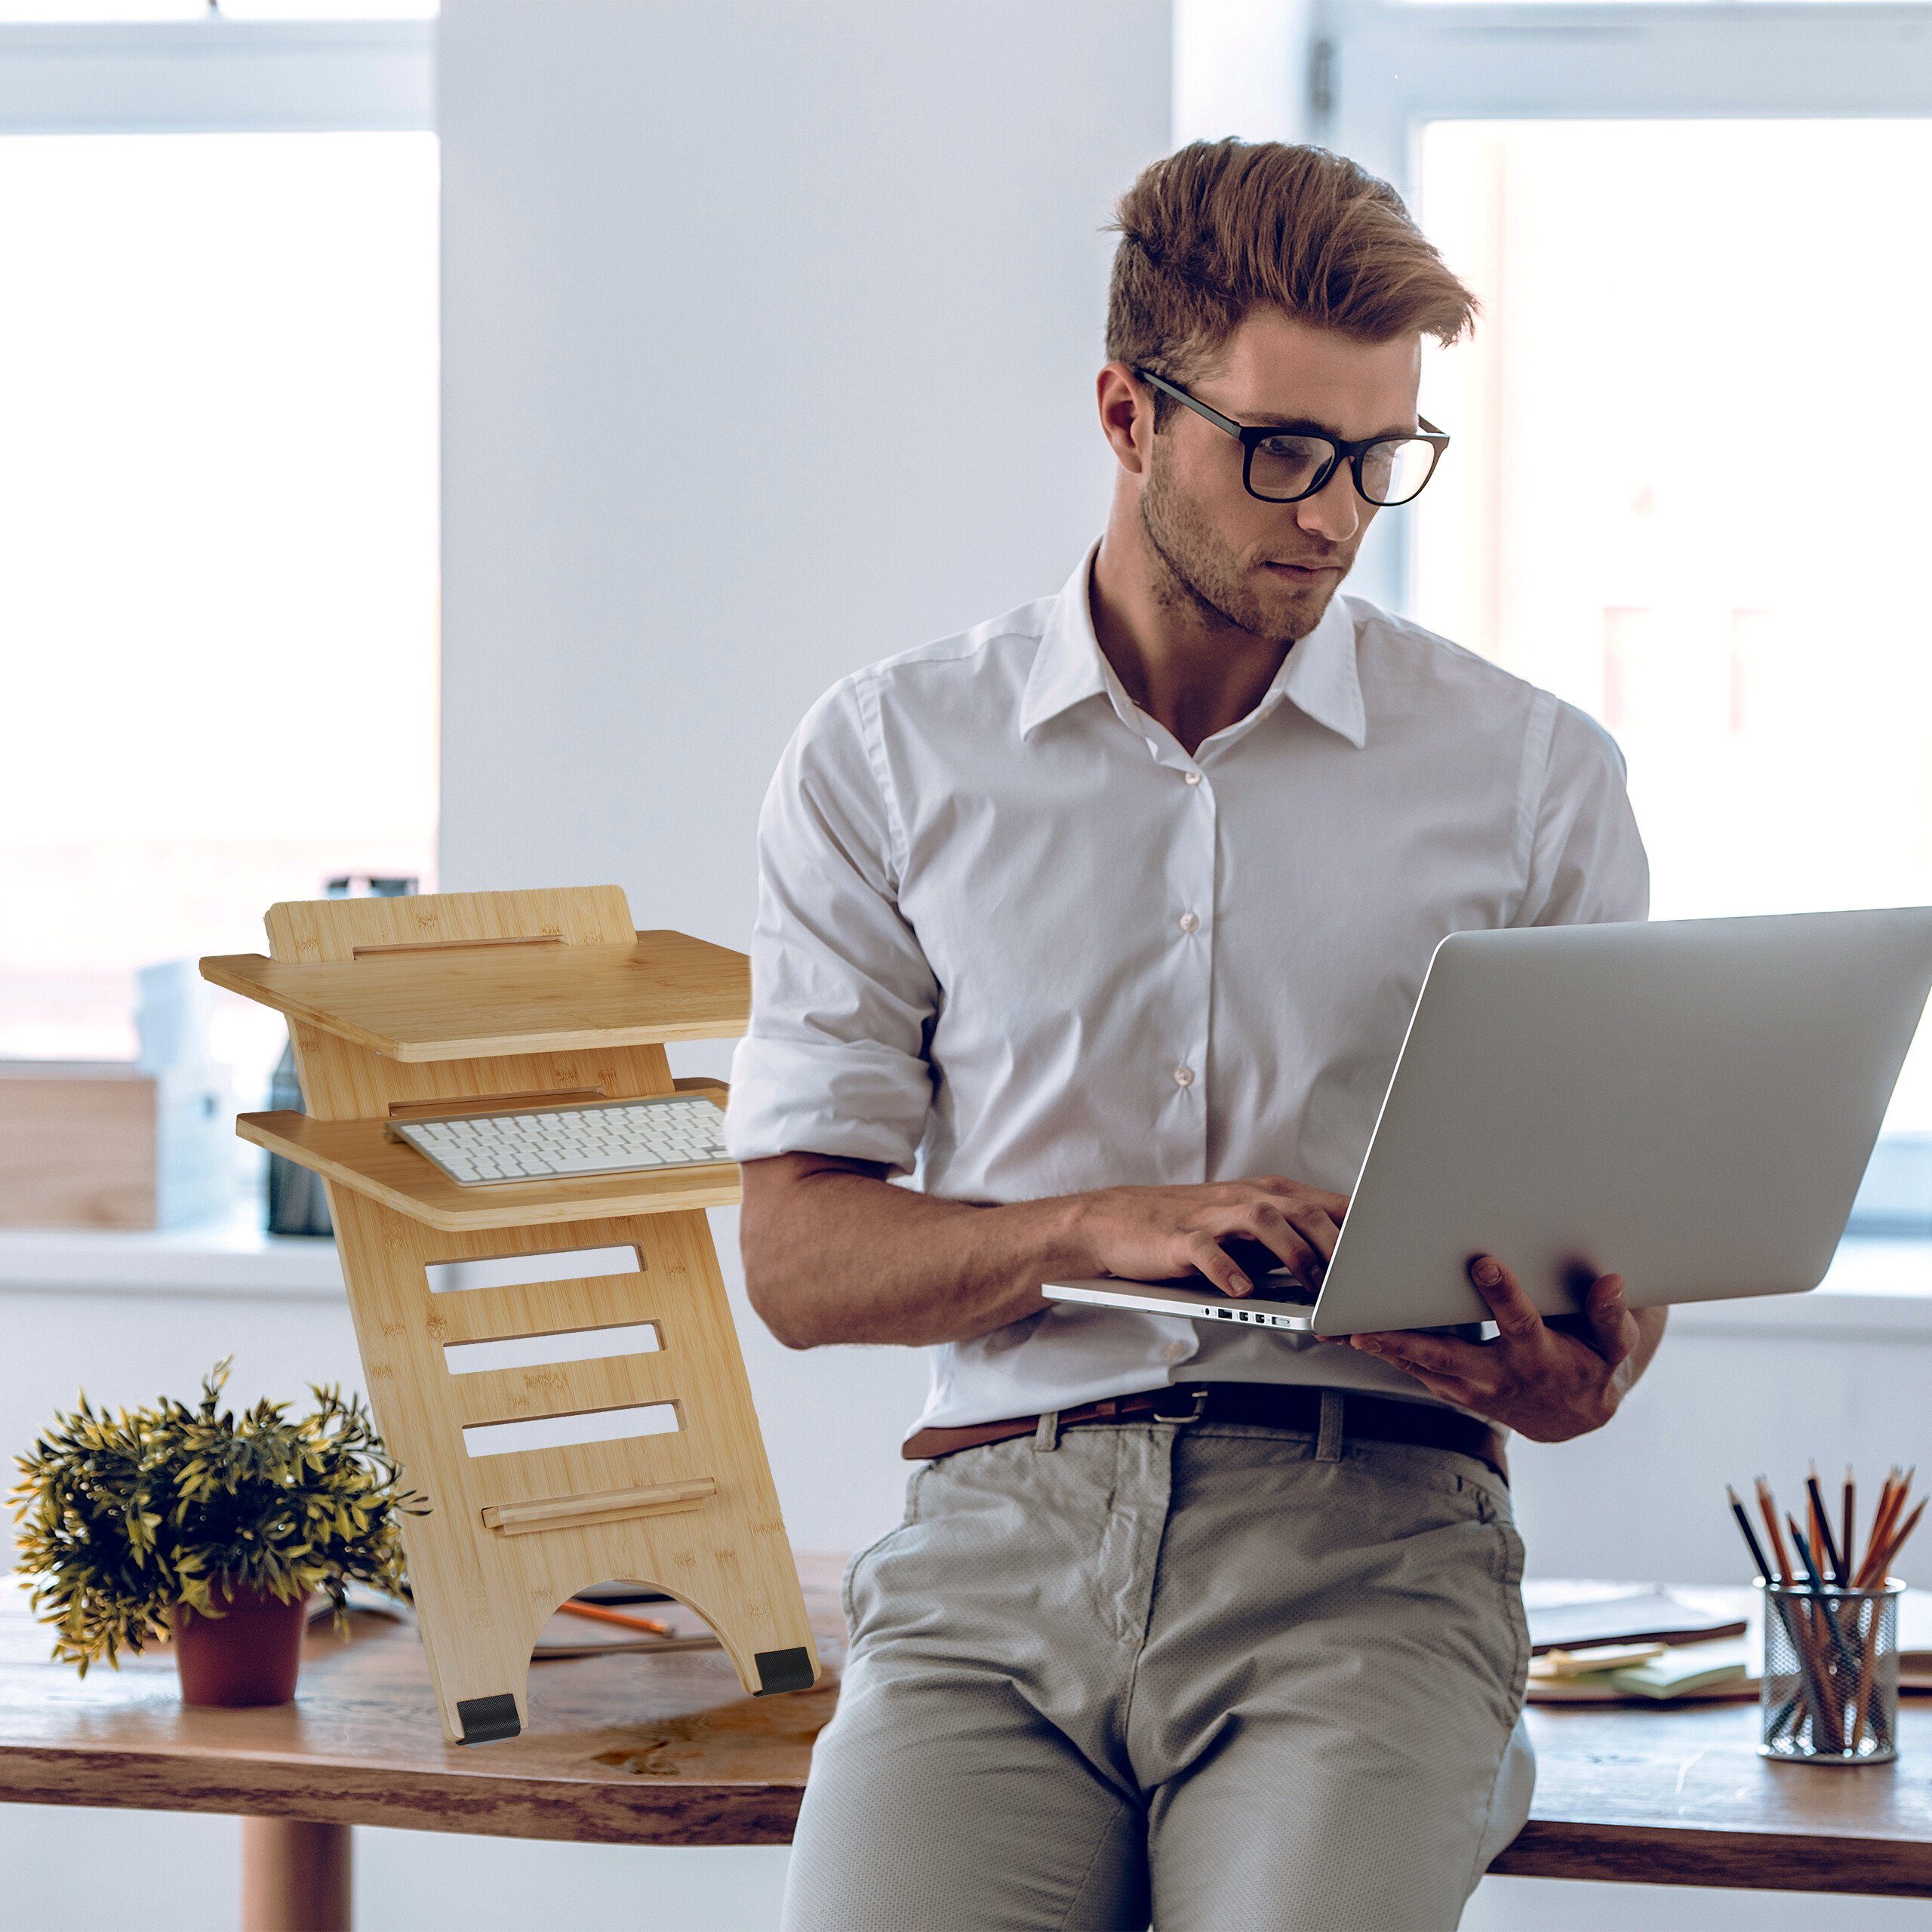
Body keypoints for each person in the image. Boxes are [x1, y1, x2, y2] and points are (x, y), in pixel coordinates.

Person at [727, 138, 1665, 1932]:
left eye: (1377, 458)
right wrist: (1092, 1227)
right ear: (1123, 412)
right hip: (988, 1547)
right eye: (1280, 450)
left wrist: (1582, 1371)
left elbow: (1614, 1268)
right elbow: (793, 1255)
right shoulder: (885, 756)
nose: (1328, 512)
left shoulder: (1531, 778)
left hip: (1367, 1547)